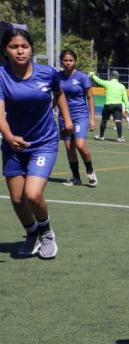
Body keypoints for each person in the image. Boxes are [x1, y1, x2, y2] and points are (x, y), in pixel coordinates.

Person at [0, 28, 72, 258]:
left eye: (24, 46)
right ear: (5, 50)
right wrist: (10, 137)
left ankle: (46, 232)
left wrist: (67, 119)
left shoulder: (47, 73)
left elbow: (59, 94)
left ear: (31, 49)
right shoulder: (1, 76)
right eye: (13, 46)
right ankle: (32, 234)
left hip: (44, 142)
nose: (20, 51)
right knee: (17, 198)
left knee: (32, 194)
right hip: (13, 144)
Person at [57, 49, 97, 187]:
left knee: (80, 144)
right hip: (64, 117)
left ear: (75, 61)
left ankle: (90, 172)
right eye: (65, 60)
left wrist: (92, 118)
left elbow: (90, 98)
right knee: (69, 147)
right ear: (61, 61)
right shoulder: (57, 77)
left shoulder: (82, 77)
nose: (68, 63)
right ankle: (76, 177)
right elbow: (55, 97)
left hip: (80, 115)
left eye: (70, 60)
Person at [90, 69, 129, 142]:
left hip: (108, 105)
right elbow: (125, 98)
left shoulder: (107, 83)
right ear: (118, 77)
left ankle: (101, 136)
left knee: (104, 120)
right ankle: (120, 138)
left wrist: (92, 75)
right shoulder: (122, 86)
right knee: (118, 121)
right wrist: (127, 108)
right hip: (118, 105)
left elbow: (99, 81)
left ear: (111, 76)